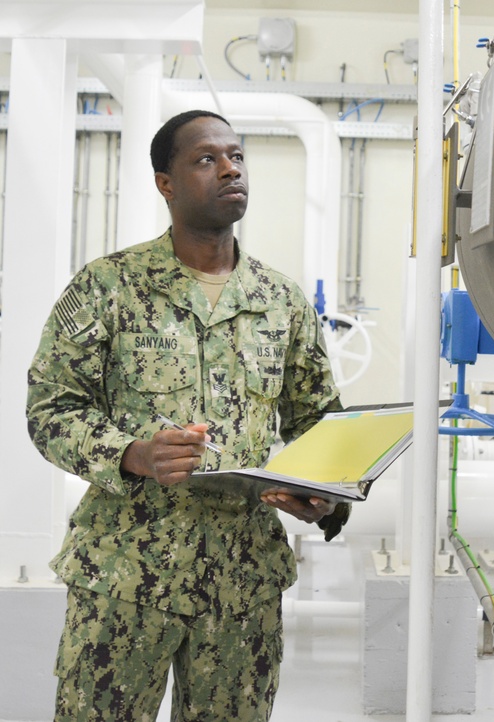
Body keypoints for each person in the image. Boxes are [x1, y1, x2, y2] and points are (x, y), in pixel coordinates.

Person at [26, 109, 350, 720]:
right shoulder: (109, 287)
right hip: (125, 577)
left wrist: (326, 495)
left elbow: (317, 424)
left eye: (236, 156)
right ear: (165, 182)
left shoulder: (280, 301)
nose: (230, 168)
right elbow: (51, 409)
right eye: (206, 158)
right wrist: (133, 454)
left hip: (242, 581)